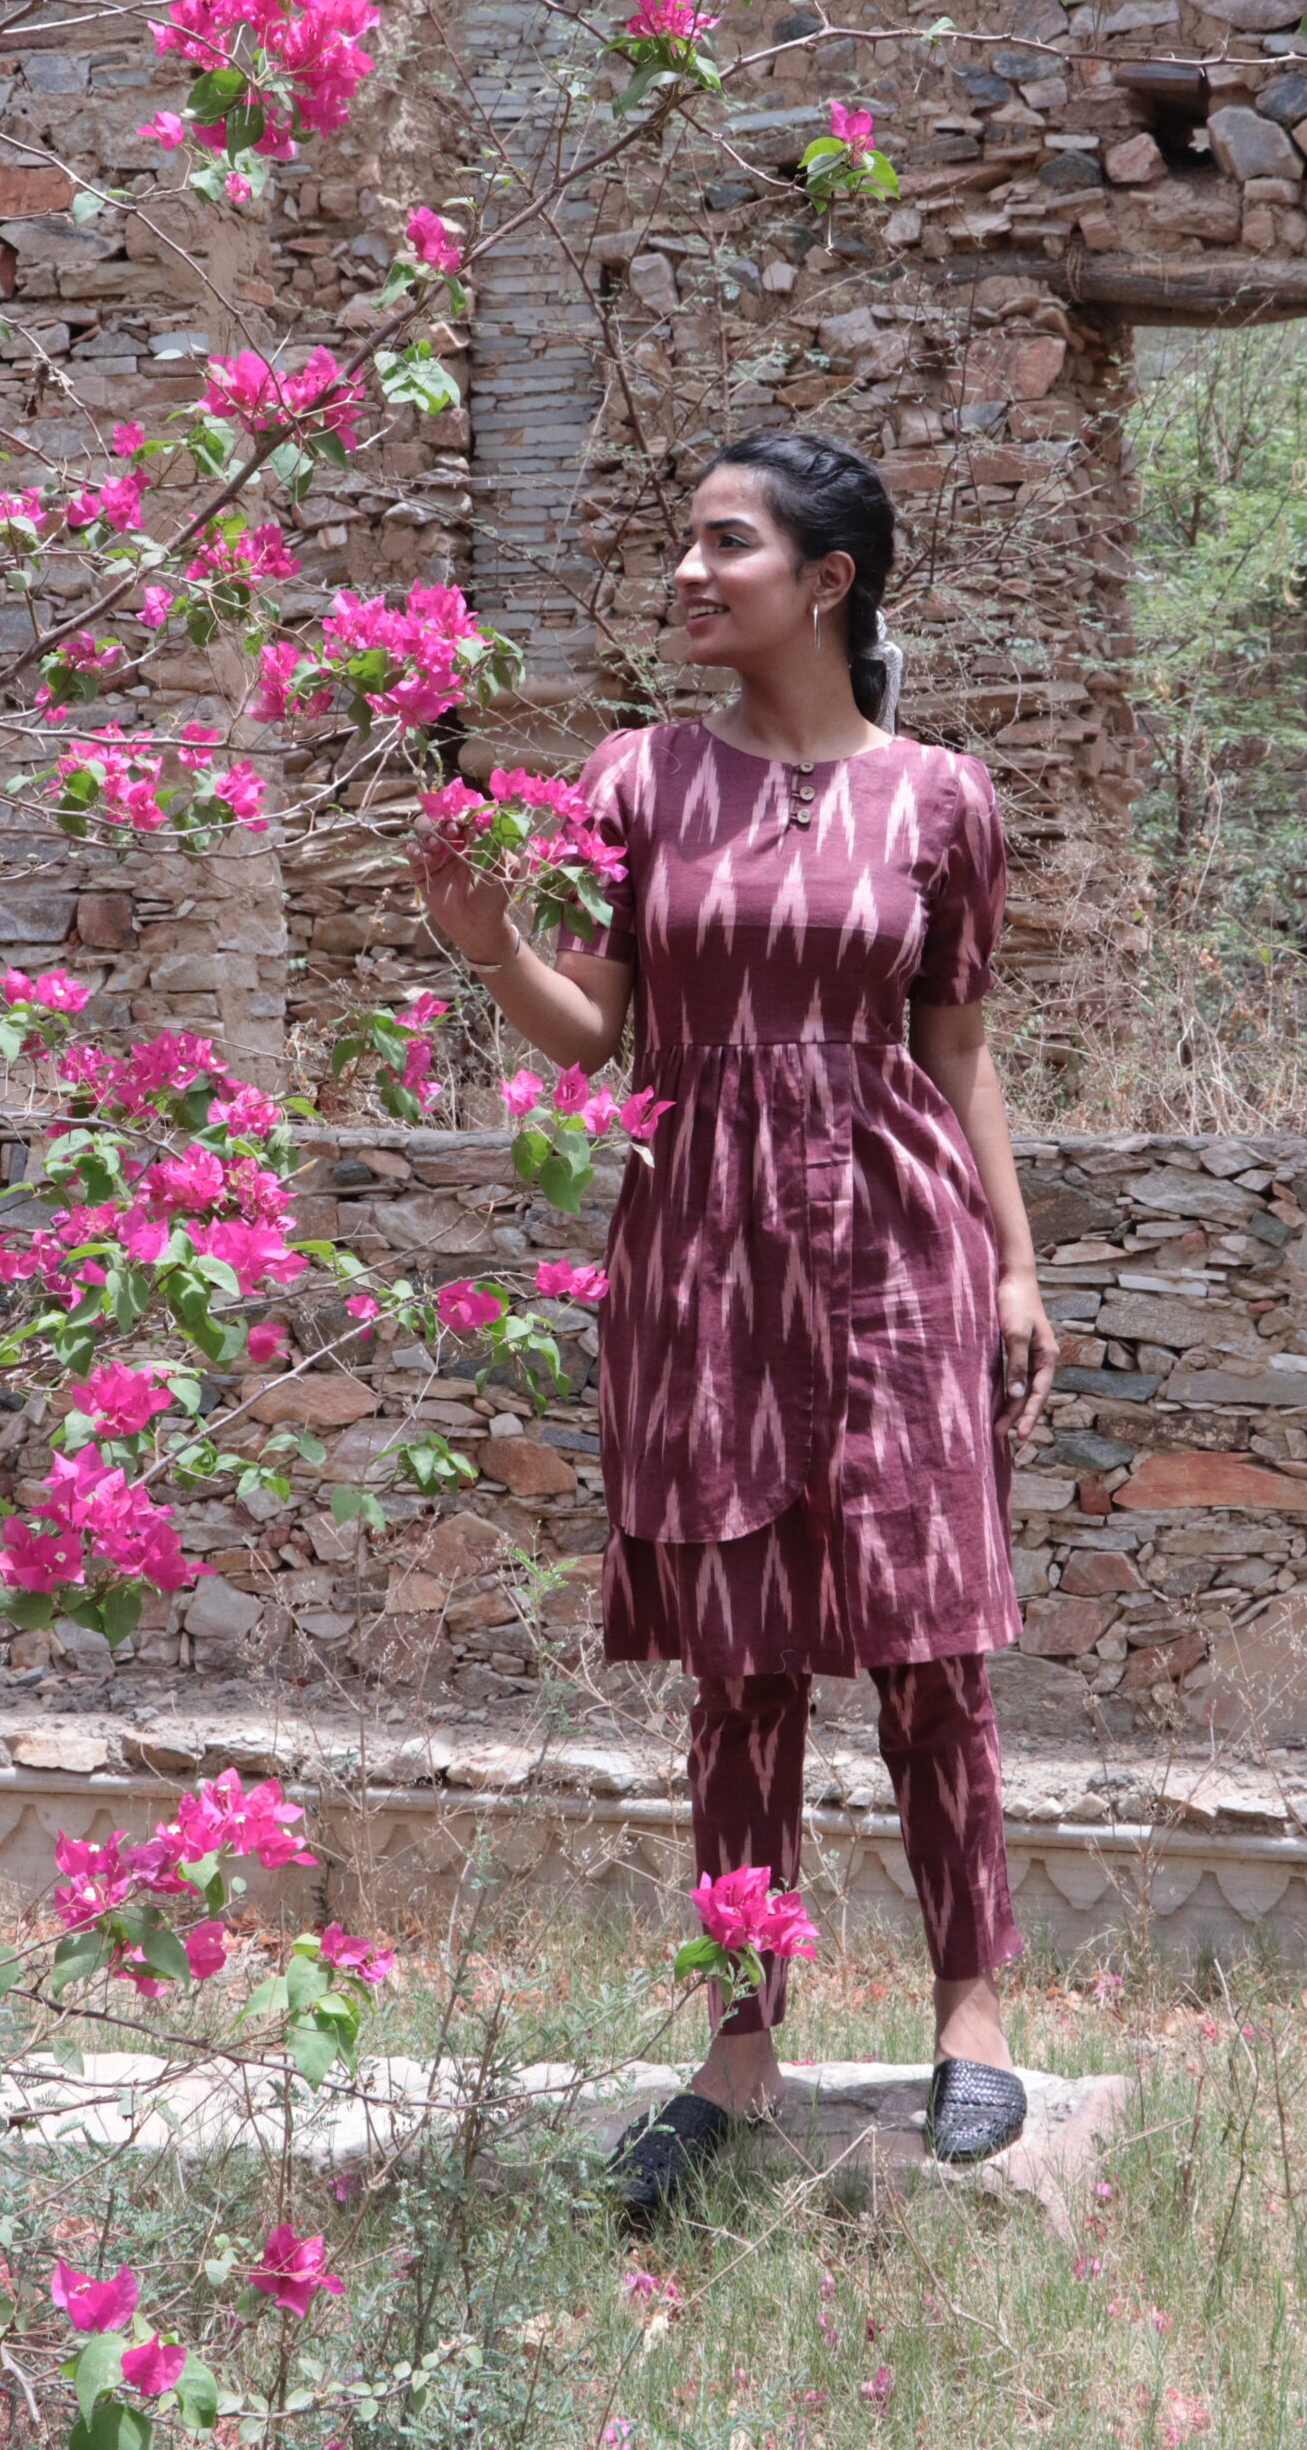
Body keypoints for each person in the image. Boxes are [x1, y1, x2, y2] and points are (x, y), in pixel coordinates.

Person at [413, 429, 1058, 2219]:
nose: (689, 575)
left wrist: (1015, 1265)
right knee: (739, 1661)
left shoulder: (945, 800)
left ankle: (973, 2013)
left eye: (726, 546)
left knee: (933, 1649)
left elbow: (959, 1052)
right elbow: (593, 1035)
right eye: (682, 545)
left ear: (828, 582)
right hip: (696, 1242)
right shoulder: (639, 779)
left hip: (901, 1236)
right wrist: (483, 941)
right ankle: (738, 2043)